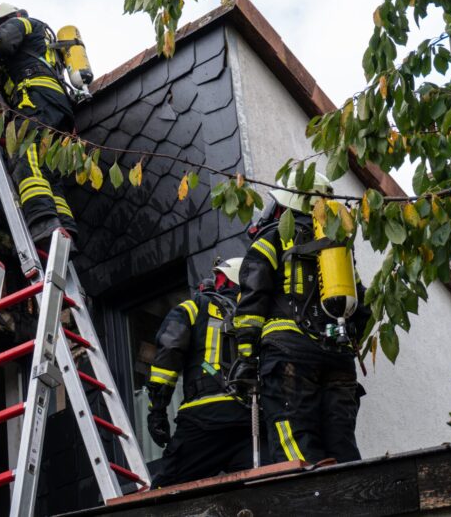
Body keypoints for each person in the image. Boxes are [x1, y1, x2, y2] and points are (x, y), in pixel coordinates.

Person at [231, 172, 370, 464]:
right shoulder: (338, 248)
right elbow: (363, 308)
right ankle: (356, 491)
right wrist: (343, 341)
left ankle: (311, 490)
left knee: (293, 437)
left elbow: (252, 299)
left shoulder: (272, 238)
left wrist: (246, 357)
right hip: (339, 358)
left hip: (288, 356)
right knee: (341, 442)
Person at [146, 258, 255, 487]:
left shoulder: (194, 306)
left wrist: (157, 410)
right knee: (257, 489)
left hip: (204, 418)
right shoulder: (255, 317)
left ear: (227, 280)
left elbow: (169, 354)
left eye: (218, 278)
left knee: (165, 491)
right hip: (249, 420)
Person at [0, 2, 77, 244]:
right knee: (48, 171)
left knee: (25, 151)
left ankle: (42, 221)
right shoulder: (35, 45)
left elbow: (2, 42)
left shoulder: (22, 23)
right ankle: (65, 231)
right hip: (56, 106)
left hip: (36, 97)